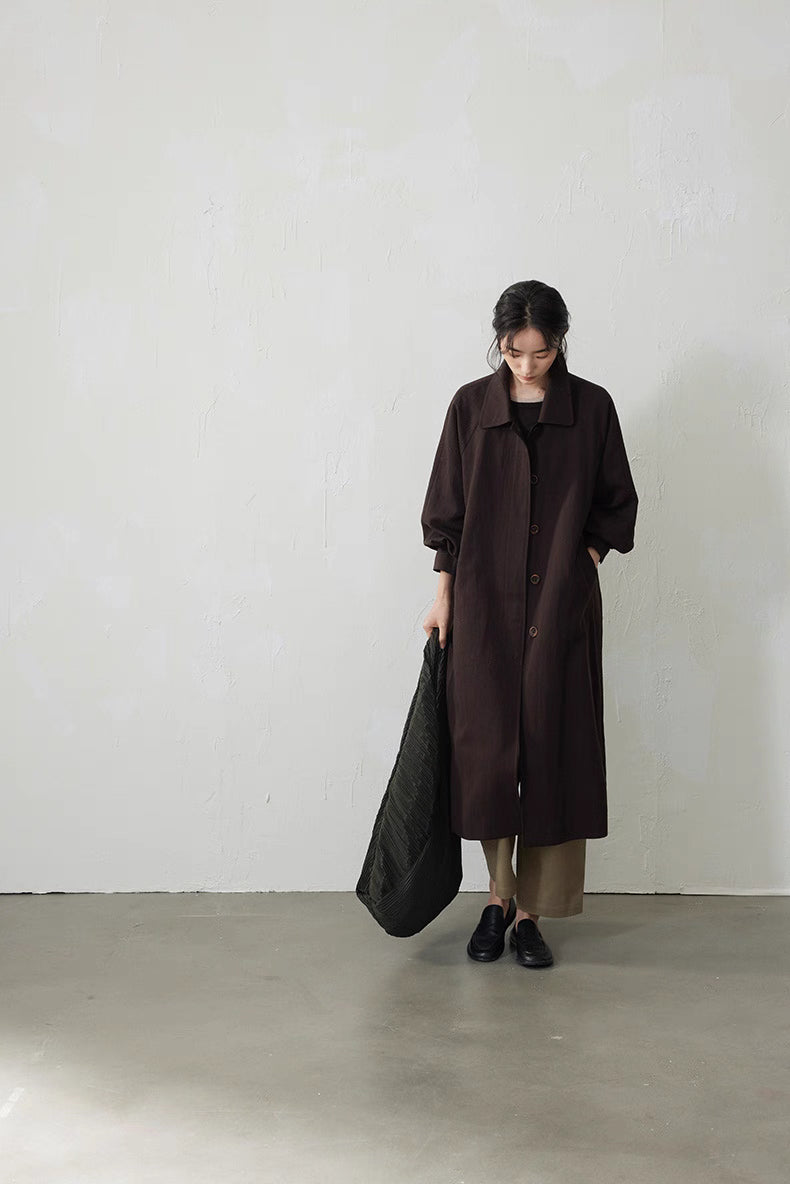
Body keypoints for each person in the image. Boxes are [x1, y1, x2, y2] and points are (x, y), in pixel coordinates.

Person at [420, 280, 638, 969]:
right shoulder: (469, 408)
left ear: (559, 344)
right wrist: (443, 597)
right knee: (486, 755)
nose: (526, 367)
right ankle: (497, 898)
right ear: (500, 344)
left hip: (559, 607)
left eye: (539, 354)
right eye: (514, 353)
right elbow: (447, 512)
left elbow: (617, 502)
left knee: (552, 750)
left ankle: (533, 916)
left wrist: (585, 561)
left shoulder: (592, 409)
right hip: (482, 605)